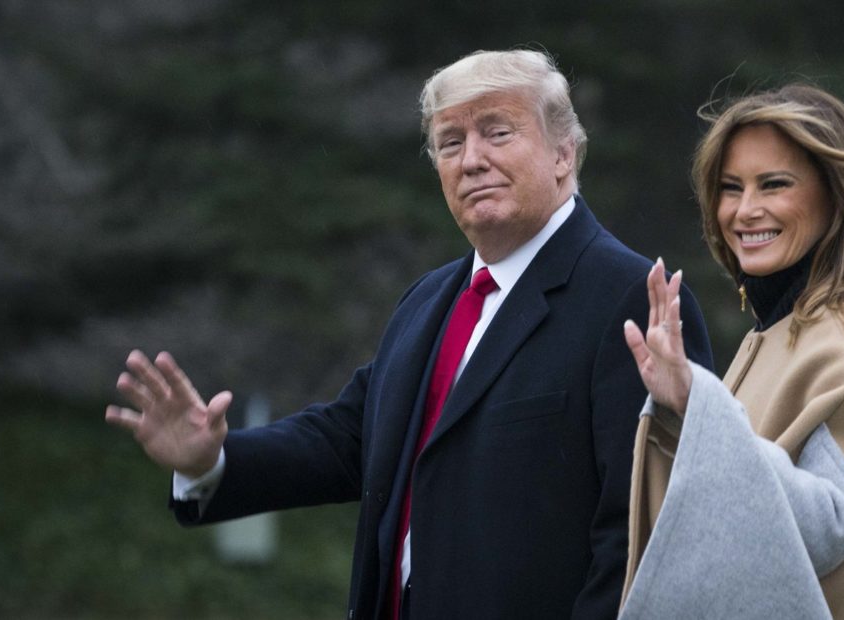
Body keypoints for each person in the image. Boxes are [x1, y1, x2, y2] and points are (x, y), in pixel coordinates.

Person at [104, 49, 714, 620]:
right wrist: (213, 460)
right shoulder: (427, 301)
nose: (471, 158)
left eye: (497, 132)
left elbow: (642, 531)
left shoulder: (635, 298)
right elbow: (351, 438)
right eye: (451, 142)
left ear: (564, 154)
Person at [618, 83, 844, 619]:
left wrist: (697, 403)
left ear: (835, 194)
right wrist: (685, 413)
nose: (746, 210)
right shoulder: (793, 328)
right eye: (731, 188)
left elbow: (826, 525)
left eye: (773, 185)